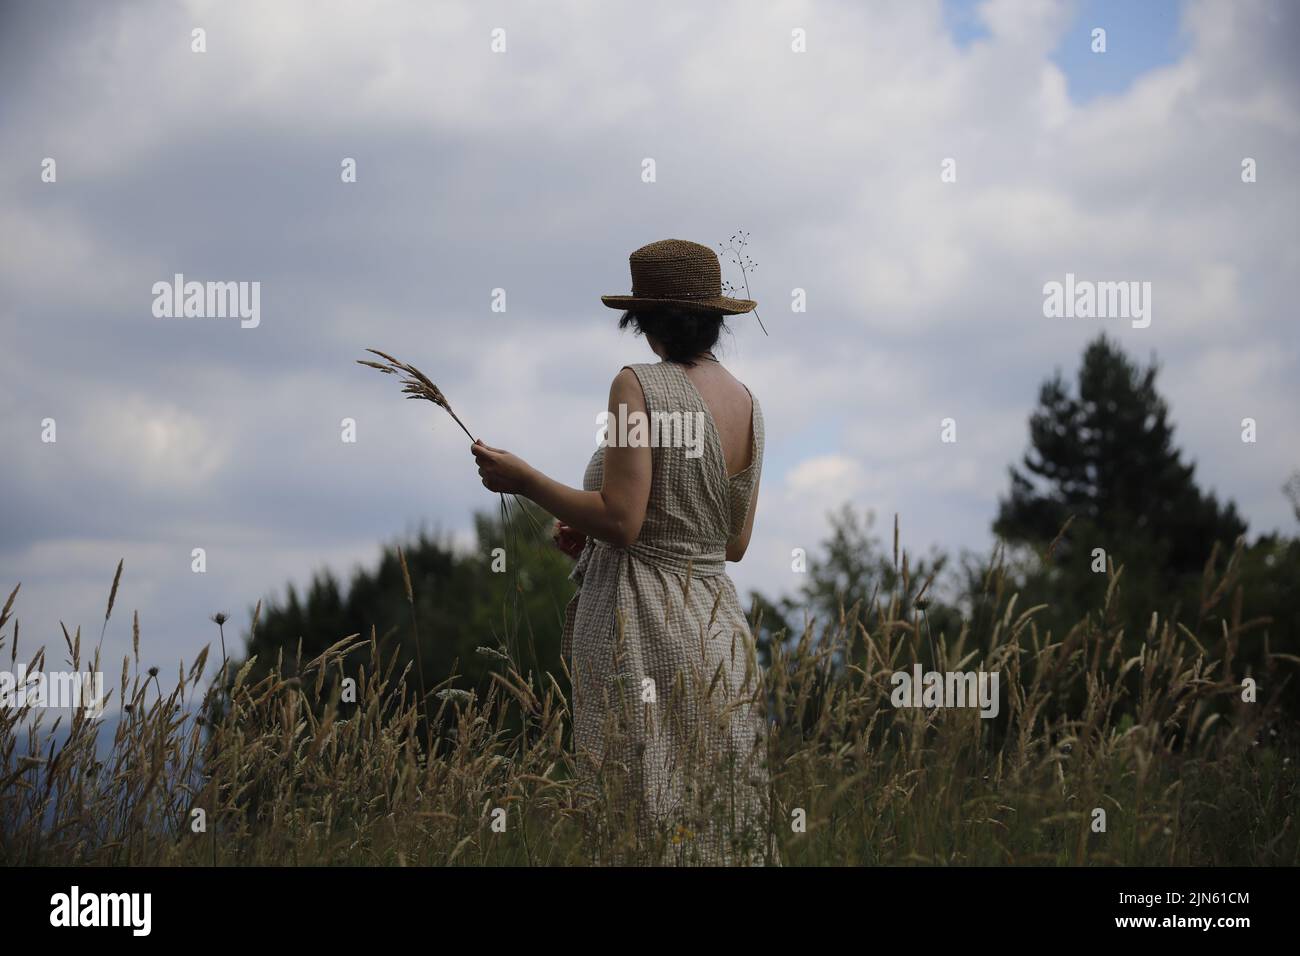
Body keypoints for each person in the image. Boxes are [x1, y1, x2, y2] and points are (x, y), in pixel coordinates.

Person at [470, 238, 771, 865]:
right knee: (721, 818)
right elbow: (732, 543)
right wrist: (596, 531)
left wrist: (526, 481)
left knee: (641, 819)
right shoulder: (748, 404)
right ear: (713, 316)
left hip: (645, 628)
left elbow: (623, 521)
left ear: (646, 318)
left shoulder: (637, 386)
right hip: (719, 631)